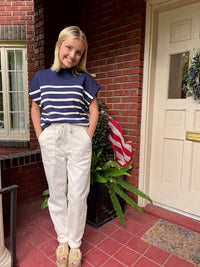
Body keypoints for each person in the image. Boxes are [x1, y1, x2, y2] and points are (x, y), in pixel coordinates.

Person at [29, 26, 101, 267]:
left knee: (79, 193)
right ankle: (62, 239)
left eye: (79, 52)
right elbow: (35, 108)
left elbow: (93, 111)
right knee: (57, 192)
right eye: (69, 48)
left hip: (77, 135)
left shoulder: (85, 79)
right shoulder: (40, 77)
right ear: (59, 46)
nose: (73, 55)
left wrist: (86, 137)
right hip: (52, 137)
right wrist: (41, 136)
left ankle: (75, 243)